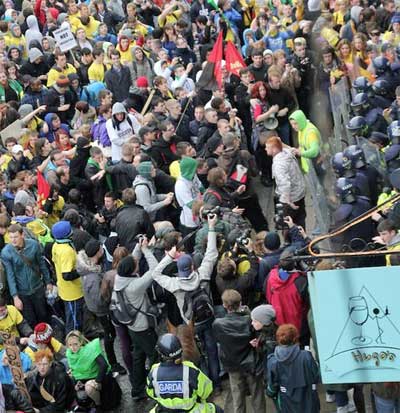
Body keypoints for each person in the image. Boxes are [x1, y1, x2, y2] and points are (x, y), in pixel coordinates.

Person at [111, 236, 158, 401]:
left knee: (138, 356)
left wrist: (138, 246)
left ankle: (137, 389)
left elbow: (132, 260)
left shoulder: (119, 278)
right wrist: (146, 250)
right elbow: (155, 269)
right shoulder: (134, 286)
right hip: (143, 327)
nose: (138, 264)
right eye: (136, 265)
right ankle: (155, 385)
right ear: (132, 270)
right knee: (155, 355)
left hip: (131, 326)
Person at [213, 289, 266, 413]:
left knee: (237, 398)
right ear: (240, 303)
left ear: (224, 305)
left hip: (232, 365)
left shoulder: (218, 324)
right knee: (257, 396)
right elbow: (258, 334)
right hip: (251, 363)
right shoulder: (249, 321)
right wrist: (248, 312)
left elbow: (219, 340)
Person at [146, 333, 223, 413]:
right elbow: (207, 390)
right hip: (190, 411)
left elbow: (150, 392)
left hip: (163, 410)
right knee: (218, 410)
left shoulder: (154, 371)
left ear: (160, 353)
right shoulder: (190, 370)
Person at [1, 223, 53, 328]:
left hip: (37, 287)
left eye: (15, 237)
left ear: (22, 235)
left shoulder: (33, 245)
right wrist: (15, 297)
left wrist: (48, 282)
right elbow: (10, 276)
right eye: (10, 237)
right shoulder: (6, 252)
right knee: (30, 320)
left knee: (43, 315)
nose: (13, 240)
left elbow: (42, 264)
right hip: (22, 292)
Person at [266, 324, 320, 412]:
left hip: (286, 402)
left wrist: (270, 393)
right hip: (308, 400)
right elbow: (316, 376)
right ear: (295, 337)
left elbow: (272, 387)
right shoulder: (306, 356)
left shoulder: (273, 361)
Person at [66, 330, 121, 409]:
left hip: (101, 378)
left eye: (75, 344)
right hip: (86, 379)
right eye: (70, 345)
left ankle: (98, 405)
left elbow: (104, 365)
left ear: (81, 342)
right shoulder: (70, 354)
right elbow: (75, 370)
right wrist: (77, 382)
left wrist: (97, 382)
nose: (73, 347)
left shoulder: (90, 349)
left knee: (89, 388)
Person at [266, 136, 306, 229]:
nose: (265, 149)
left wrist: (286, 201)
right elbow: (291, 149)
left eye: (267, 147)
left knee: (287, 224)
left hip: (291, 198)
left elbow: (284, 184)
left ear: (274, 149)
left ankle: (291, 240)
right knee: (301, 219)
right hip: (299, 192)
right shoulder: (287, 152)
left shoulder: (279, 164)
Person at [51, 220, 84, 333]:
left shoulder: (56, 245)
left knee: (73, 317)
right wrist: (81, 270)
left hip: (64, 289)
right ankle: (74, 345)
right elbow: (67, 274)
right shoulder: (67, 251)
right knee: (74, 322)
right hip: (72, 293)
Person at [26, 348, 75, 412]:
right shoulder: (33, 375)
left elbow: (60, 404)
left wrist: (40, 411)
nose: (42, 367)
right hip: (45, 403)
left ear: (50, 363)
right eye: (39, 364)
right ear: (35, 364)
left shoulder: (61, 377)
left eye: (45, 364)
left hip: (61, 406)